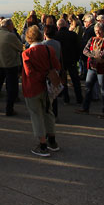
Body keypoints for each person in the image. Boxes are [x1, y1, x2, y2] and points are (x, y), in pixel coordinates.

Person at [21, 26, 61, 157]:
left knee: (36, 115)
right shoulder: (49, 50)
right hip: (48, 87)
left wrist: (41, 76)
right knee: (48, 112)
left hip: (33, 88)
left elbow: (29, 73)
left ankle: (43, 145)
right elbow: (57, 66)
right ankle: (52, 141)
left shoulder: (27, 54)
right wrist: (48, 75)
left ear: (28, 38)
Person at [76, 22, 104, 118]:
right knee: (88, 88)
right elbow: (85, 50)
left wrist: (94, 55)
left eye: (99, 31)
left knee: (103, 90)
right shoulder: (92, 39)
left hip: (102, 68)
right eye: (96, 31)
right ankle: (85, 108)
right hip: (92, 67)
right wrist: (95, 56)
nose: (97, 33)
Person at [0, 18, 23, 116]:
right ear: (8, 25)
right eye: (12, 25)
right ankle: (9, 109)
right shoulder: (10, 35)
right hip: (11, 64)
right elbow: (20, 47)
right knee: (11, 87)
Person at [56, 18, 83, 105]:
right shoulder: (73, 35)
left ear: (58, 27)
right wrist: (76, 58)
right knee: (75, 80)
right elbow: (78, 47)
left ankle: (66, 99)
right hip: (72, 60)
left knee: (63, 80)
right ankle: (79, 98)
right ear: (66, 25)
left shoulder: (56, 36)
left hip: (62, 61)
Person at [42, 24, 63, 121]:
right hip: (55, 70)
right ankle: (55, 114)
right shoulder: (58, 43)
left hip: (46, 71)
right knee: (54, 94)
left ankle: (47, 113)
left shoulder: (43, 44)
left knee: (46, 93)